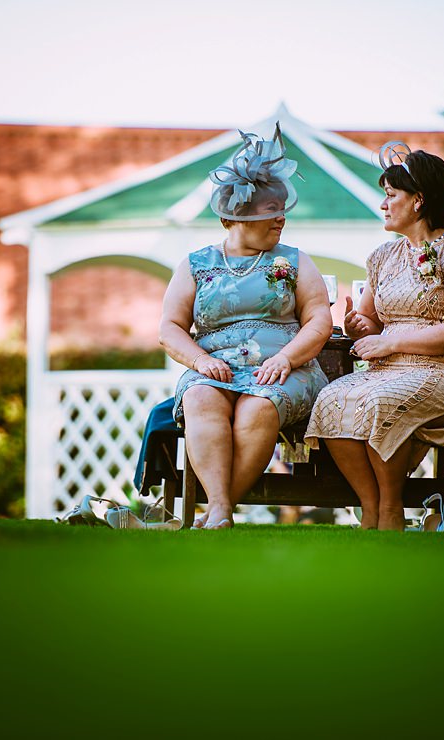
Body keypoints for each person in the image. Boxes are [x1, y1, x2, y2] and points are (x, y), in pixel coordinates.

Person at [304, 142, 444, 530]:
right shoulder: (383, 257)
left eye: (391, 195)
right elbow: (371, 320)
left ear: (419, 200)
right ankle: (371, 506)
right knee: (329, 400)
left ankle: (391, 508)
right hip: (388, 369)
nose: (383, 205)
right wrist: (362, 327)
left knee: (380, 402)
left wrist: (388, 342)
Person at [159, 124, 332, 530]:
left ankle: (218, 509)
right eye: (272, 211)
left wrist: (287, 360)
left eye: (282, 210)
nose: (281, 220)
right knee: (200, 399)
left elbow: (319, 319)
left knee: (258, 406)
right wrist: (200, 362)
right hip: (214, 368)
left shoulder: (294, 260)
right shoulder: (195, 265)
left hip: (285, 370)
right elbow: (169, 327)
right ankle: (220, 508)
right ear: (238, 216)